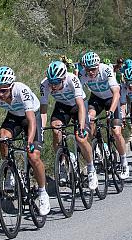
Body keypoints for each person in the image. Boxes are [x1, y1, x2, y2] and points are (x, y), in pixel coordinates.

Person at [0, 66, 50, 215]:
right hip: (14, 117)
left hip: (31, 116)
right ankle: (10, 169)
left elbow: (31, 120)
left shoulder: (21, 90)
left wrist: (29, 142)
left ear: (11, 86)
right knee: (3, 136)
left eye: (4, 90)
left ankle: (43, 193)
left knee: (33, 156)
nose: (0, 94)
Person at [40, 60, 98, 190]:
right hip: (62, 106)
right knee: (56, 130)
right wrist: (41, 129)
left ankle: (91, 169)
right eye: (51, 82)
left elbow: (81, 106)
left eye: (56, 83)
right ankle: (63, 160)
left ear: (64, 78)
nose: (53, 86)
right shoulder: (44, 84)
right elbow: (43, 110)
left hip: (78, 106)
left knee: (81, 138)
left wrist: (82, 126)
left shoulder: (72, 79)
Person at [79, 51, 130, 180]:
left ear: (98, 66)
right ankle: (98, 144)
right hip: (96, 98)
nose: (90, 72)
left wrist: (111, 111)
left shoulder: (106, 70)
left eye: (93, 69)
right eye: (88, 69)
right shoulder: (83, 73)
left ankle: (124, 162)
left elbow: (117, 93)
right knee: (89, 118)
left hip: (111, 99)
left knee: (116, 132)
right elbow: (78, 93)